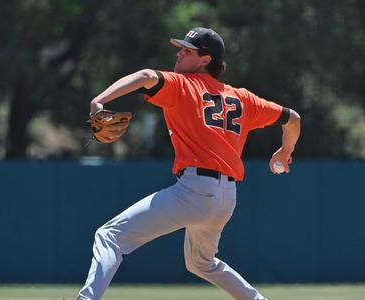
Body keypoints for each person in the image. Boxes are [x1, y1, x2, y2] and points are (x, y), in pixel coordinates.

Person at [78, 27, 301, 300]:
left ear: (206, 60)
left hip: (194, 190)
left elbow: (147, 77)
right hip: (226, 198)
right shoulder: (242, 98)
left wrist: (98, 100)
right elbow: (293, 119)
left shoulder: (183, 85)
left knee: (110, 235)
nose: (179, 53)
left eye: (187, 50)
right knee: (201, 262)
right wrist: (285, 151)